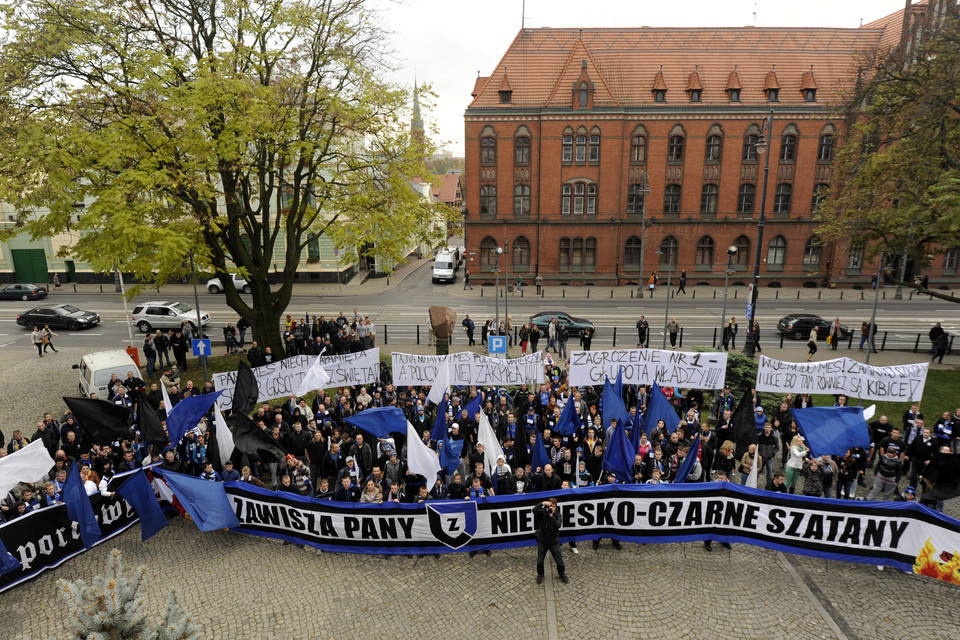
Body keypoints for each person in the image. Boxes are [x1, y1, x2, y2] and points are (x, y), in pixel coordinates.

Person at [533, 497, 567, 584]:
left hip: (553, 542)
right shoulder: (542, 513)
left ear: (556, 507)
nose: (551, 508)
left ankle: (562, 573)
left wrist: (551, 516)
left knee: (559, 560)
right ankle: (540, 574)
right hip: (542, 541)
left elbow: (558, 525)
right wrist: (542, 503)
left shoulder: (558, 515)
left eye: (553, 506)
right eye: (550, 506)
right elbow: (534, 510)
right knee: (540, 560)